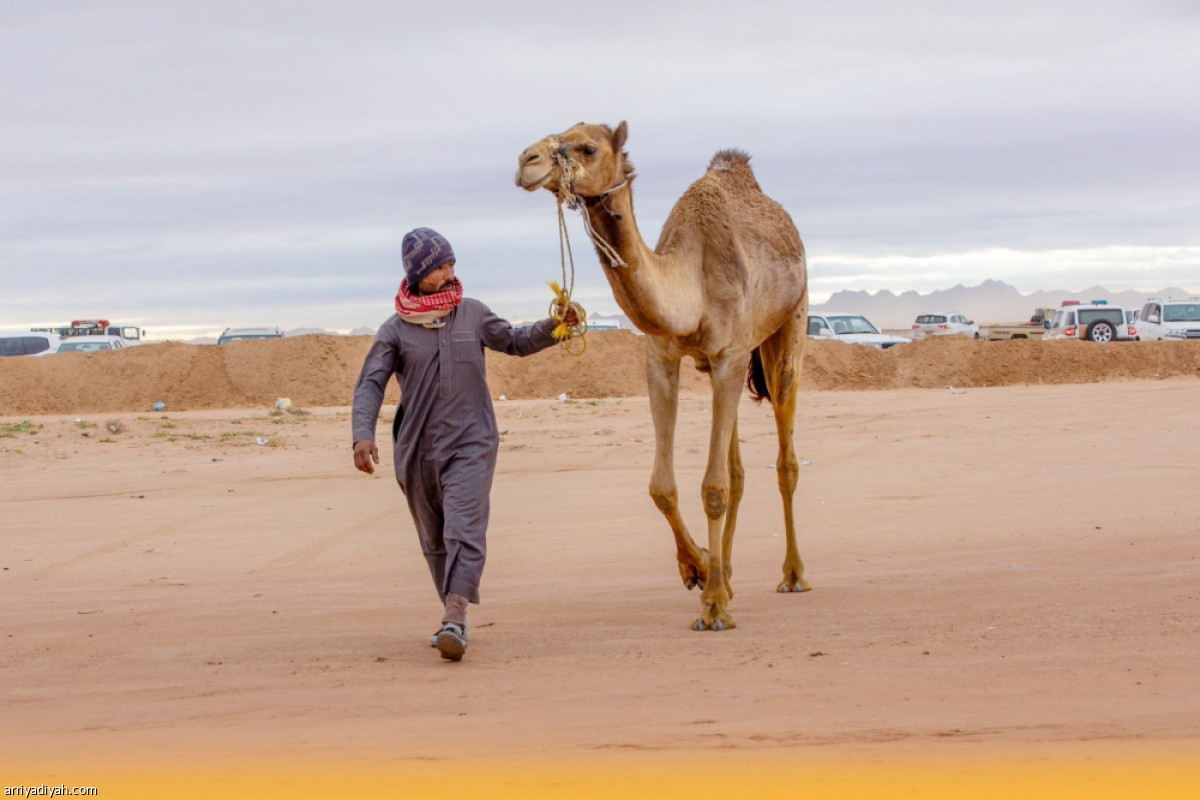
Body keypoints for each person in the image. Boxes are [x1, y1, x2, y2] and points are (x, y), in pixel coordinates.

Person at [351, 227, 575, 662]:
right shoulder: (394, 330)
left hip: (472, 442)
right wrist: (363, 433)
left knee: (464, 529)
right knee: (435, 539)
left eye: (452, 264)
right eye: (441, 267)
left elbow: (514, 340)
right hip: (417, 450)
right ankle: (453, 612)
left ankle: (454, 618)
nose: (451, 273)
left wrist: (555, 327)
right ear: (418, 274)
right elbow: (370, 384)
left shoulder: (472, 314)